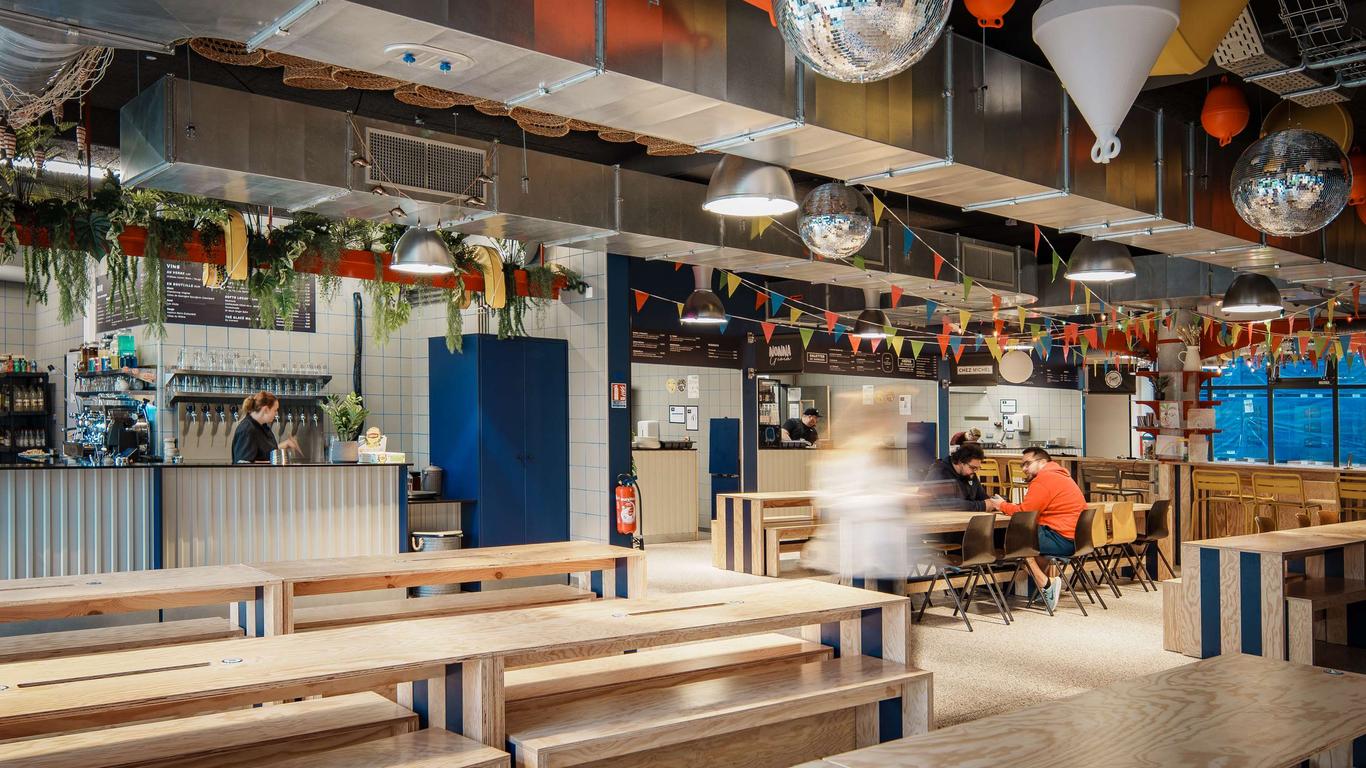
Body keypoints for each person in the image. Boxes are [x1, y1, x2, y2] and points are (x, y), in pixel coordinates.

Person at [990, 447, 1086, 611]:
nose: (1024, 468)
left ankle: (1047, 584)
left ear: (1042, 462)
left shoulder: (1044, 479)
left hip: (1060, 538)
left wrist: (1002, 505)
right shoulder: (1060, 476)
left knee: (1011, 541)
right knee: (1025, 544)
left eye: (1027, 464)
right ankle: (1043, 590)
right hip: (1076, 539)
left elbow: (1025, 513)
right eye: (1022, 465)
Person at [231, 391, 299, 463]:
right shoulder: (247, 430)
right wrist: (271, 463)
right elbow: (243, 463)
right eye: (275, 410)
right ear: (266, 409)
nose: (276, 414)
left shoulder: (263, 427)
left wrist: (285, 445)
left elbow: (265, 453)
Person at [921, 444, 991, 511]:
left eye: (978, 468)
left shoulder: (970, 473)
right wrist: (982, 506)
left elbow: (982, 497)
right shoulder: (939, 472)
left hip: (960, 516)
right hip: (934, 516)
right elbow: (949, 504)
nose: (976, 471)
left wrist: (993, 502)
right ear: (960, 462)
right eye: (973, 468)